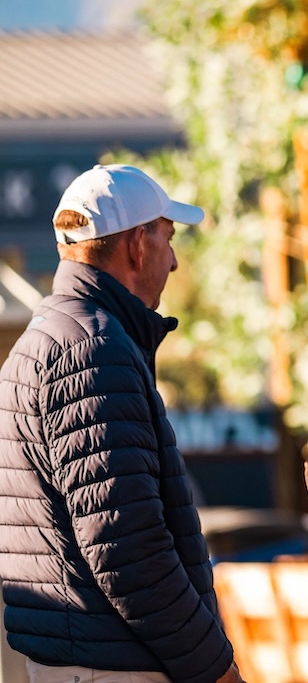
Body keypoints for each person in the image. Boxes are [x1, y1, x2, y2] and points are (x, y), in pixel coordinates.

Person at [0, 164, 243, 683]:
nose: (174, 261)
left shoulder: (48, 339)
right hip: (112, 666)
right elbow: (129, 551)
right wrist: (216, 671)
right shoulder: (92, 351)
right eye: (168, 238)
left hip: (82, 659)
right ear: (137, 245)